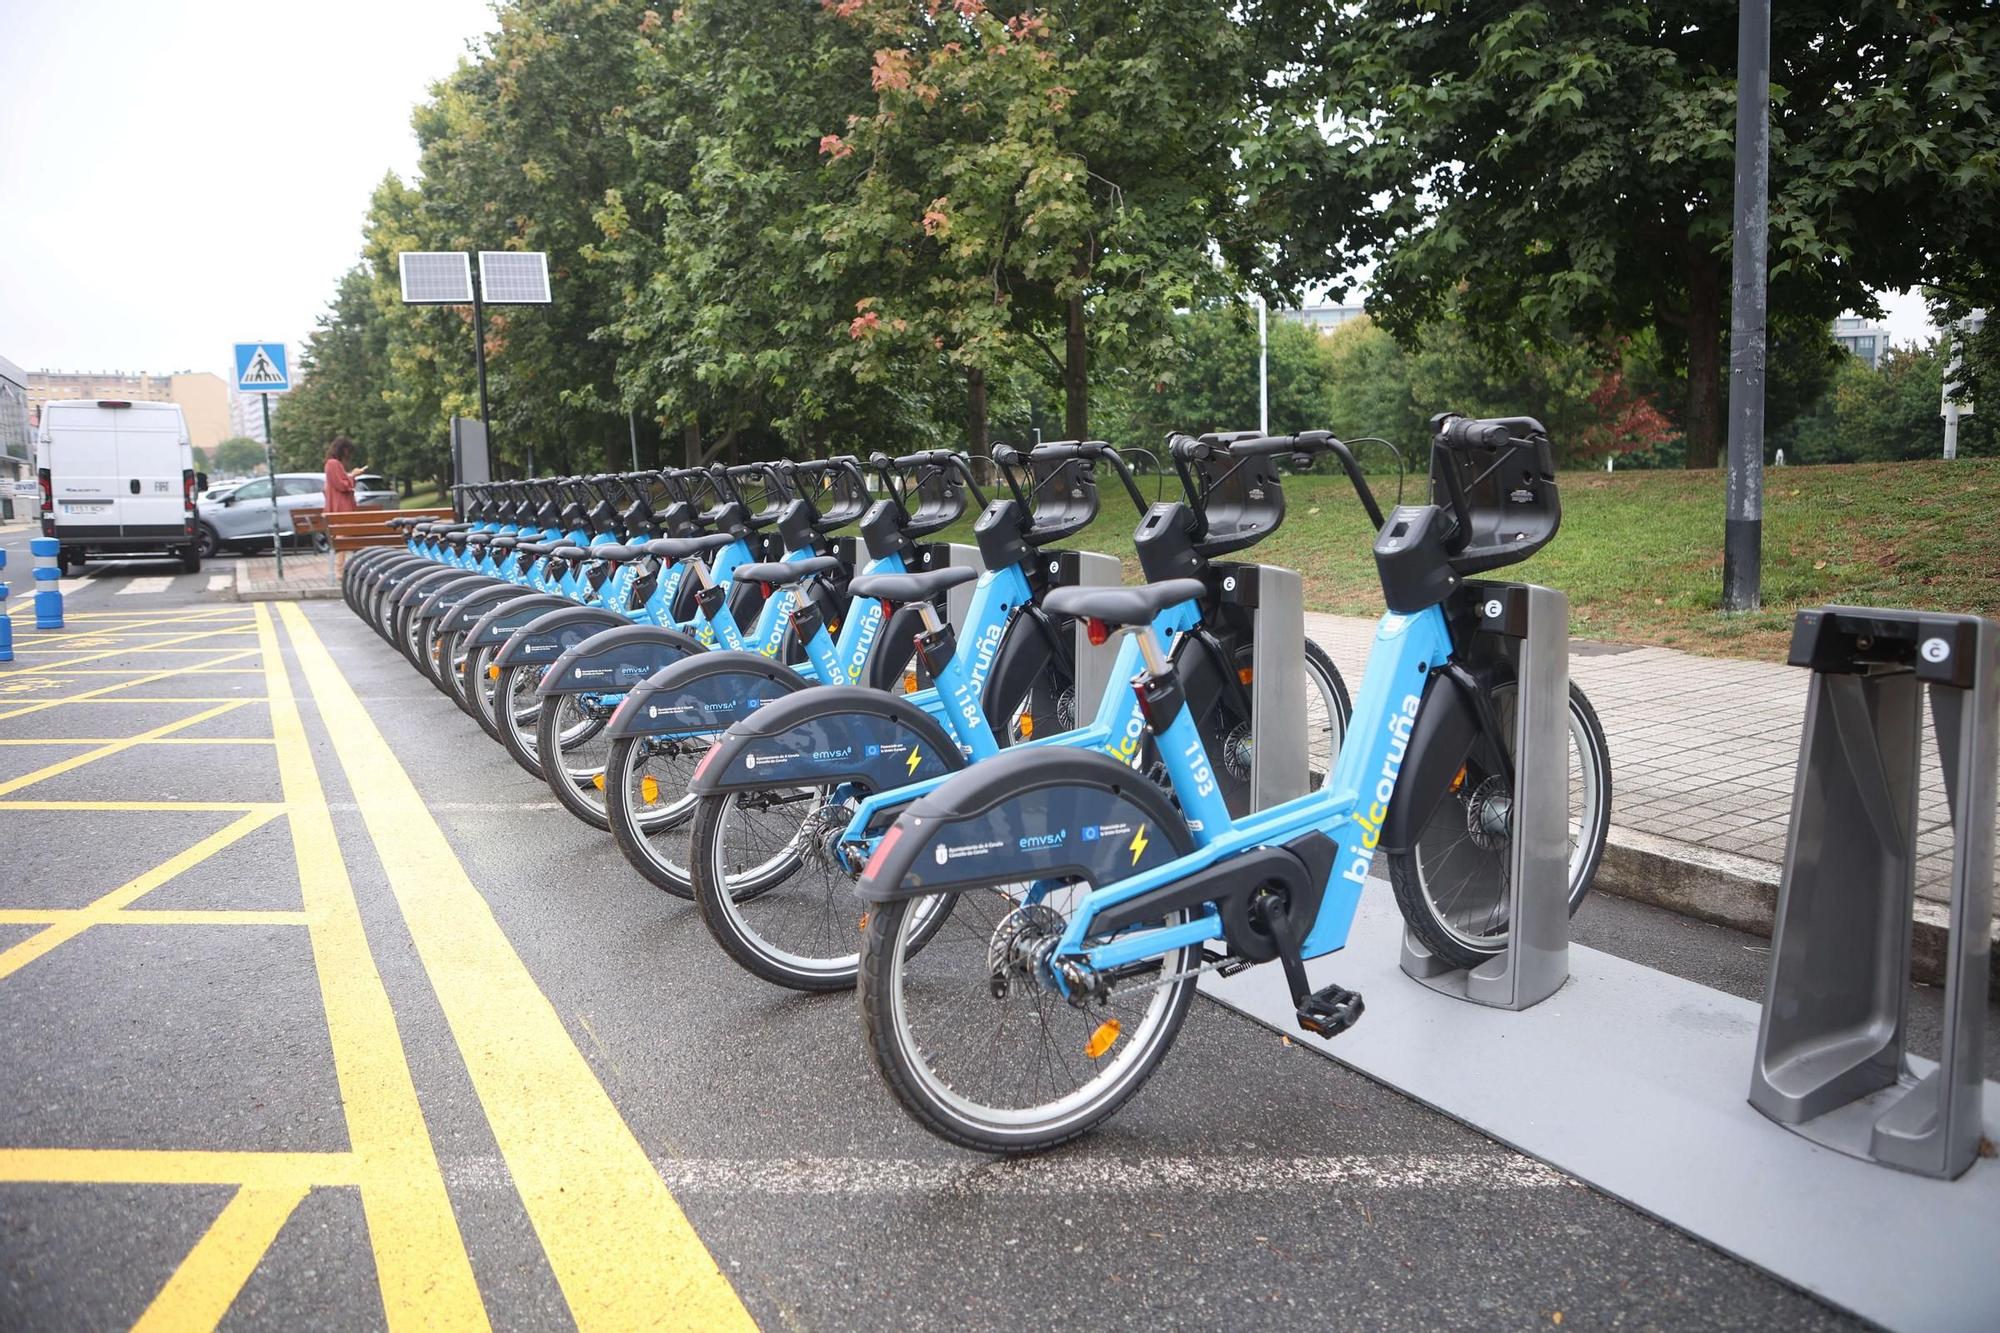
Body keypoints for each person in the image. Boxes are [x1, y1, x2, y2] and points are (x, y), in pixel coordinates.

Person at [323, 436, 368, 514]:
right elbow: (342, 485)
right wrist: (353, 475)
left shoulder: (335, 464)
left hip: (342, 507)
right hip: (340, 507)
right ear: (344, 450)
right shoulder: (333, 463)